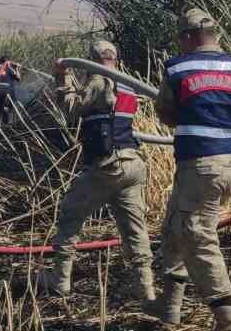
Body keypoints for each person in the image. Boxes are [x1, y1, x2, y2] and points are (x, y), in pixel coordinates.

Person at [148, 8, 231, 331]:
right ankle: (170, 307)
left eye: (180, 39)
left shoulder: (178, 68)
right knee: (174, 225)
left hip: (201, 165)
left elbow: (166, 113)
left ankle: (228, 322)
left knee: (196, 234)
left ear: (188, 37)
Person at [39, 40, 155, 303]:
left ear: (91, 60)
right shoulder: (127, 83)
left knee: (70, 212)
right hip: (132, 165)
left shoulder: (100, 81)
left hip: (106, 166)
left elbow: (71, 109)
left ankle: (60, 279)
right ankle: (145, 287)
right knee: (135, 228)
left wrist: (63, 76)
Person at [0, 55, 23, 124]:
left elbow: (18, 78)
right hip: (2, 89)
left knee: (6, 108)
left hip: (8, 91)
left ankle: (3, 122)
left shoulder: (9, 68)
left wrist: (16, 68)